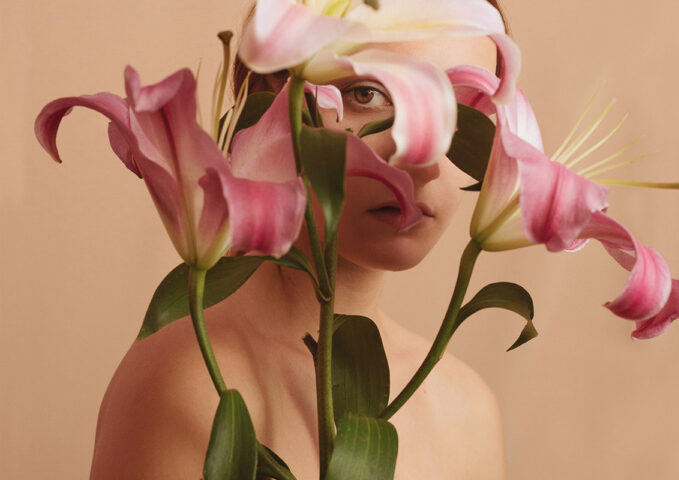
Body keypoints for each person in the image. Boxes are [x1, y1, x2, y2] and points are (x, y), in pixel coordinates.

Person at [89, 2, 508, 478]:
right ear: (271, 100)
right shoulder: (188, 381)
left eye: (462, 113)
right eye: (368, 94)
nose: (424, 160)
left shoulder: (470, 408)